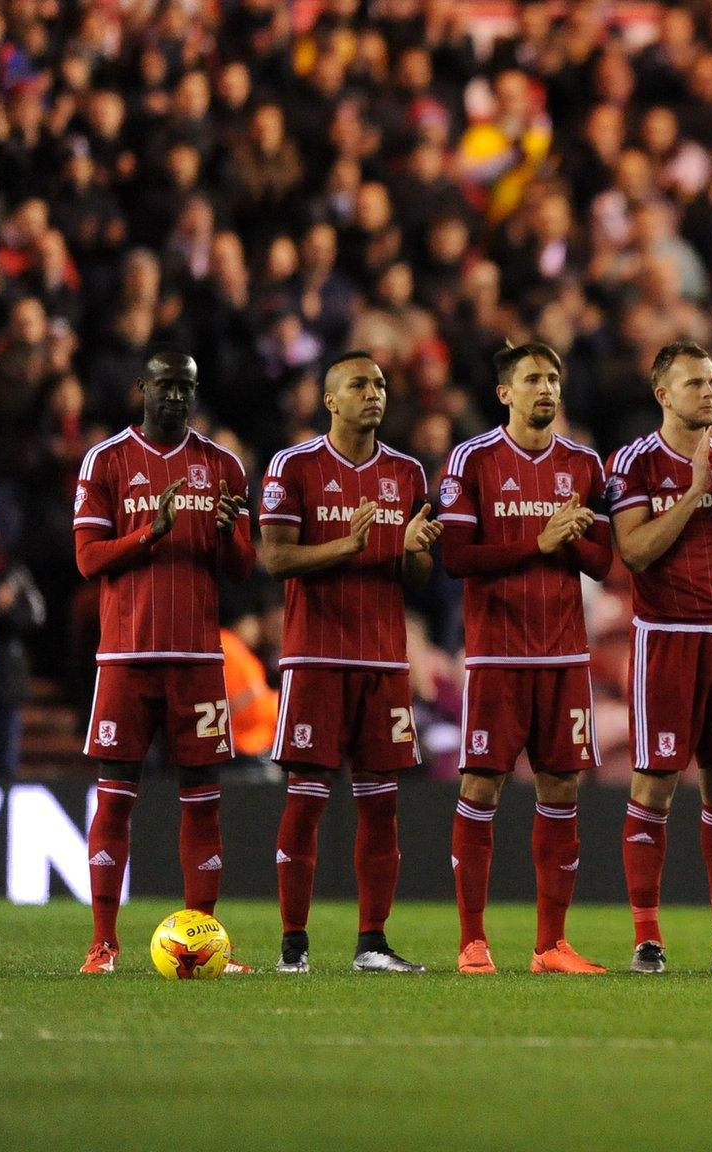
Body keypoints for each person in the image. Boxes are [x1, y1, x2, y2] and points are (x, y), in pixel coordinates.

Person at [74, 346, 255, 974]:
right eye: (164, 386)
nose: (175, 396)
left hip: (200, 659)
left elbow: (242, 569)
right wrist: (151, 531)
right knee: (114, 798)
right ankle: (103, 943)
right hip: (126, 656)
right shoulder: (107, 460)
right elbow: (89, 560)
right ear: (141, 390)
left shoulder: (222, 465)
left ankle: (205, 940)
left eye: (185, 387)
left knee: (203, 796)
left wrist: (231, 531)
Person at [258, 351, 438, 974]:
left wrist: (412, 550)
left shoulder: (408, 473)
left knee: (381, 803)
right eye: (359, 385)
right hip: (314, 656)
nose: (374, 393)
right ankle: (293, 945)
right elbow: (276, 560)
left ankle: (372, 944)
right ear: (330, 400)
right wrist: (348, 545)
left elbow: (416, 574)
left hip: (384, 661)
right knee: (306, 800)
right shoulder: (294, 466)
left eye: (381, 384)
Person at [438, 341, 613, 975]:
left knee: (562, 785)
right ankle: (472, 940)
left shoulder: (584, 464)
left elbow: (603, 559)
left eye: (553, 379)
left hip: (564, 655)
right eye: (533, 379)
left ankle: (550, 945)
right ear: (504, 393)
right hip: (497, 655)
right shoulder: (472, 459)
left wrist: (568, 544)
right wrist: (538, 540)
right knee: (481, 783)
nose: (547, 389)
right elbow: (456, 557)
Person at [606, 341, 712, 975]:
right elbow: (638, 552)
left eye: (711, 381)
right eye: (693, 383)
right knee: (655, 782)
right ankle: (647, 937)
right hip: (667, 635)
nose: (708, 392)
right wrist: (694, 489)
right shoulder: (634, 463)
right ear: (662, 394)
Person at [0, 507, 45, 786]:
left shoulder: (10, 572)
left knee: (5, 767)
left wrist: (9, 607)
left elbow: (37, 614)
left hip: (3, 682)